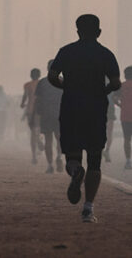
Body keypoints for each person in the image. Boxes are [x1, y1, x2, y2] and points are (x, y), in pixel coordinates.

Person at [46, 13, 121, 223]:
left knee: (72, 153)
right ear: (98, 32)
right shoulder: (105, 54)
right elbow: (116, 83)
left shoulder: (67, 52)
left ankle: (76, 170)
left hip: (71, 107)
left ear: (78, 31)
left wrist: (67, 86)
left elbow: (52, 76)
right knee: (95, 159)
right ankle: (88, 209)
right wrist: (102, 91)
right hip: (96, 108)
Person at [35, 61, 65, 173]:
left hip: (46, 115)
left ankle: (50, 165)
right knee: (59, 138)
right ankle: (59, 157)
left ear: (47, 69)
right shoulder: (63, 81)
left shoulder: (42, 82)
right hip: (60, 114)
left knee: (48, 140)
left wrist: (37, 115)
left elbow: (37, 101)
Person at [22, 68, 42, 165]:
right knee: (39, 130)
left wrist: (22, 104)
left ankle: (34, 156)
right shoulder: (42, 84)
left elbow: (25, 97)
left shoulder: (27, 85)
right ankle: (39, 140)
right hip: (41, 110)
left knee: (33, 132)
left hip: (30, 111)